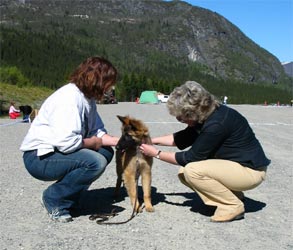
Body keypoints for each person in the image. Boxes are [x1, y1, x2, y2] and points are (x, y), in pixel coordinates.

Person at [139, 81, 270, 223]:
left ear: (193, 111)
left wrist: (156, 153)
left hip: (251, 171)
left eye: (181, 117)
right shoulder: (207, 116)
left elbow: (190, 157)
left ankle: (232, 206)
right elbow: (182, 138)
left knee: (192, 171)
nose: (179, 120)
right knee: (184, 172)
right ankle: (233, 196)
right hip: (236, 166)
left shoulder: (216, 124)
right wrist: (151, 140)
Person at [20, 56, 119, 222]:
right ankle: (54, 198)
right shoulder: (68, 100)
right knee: (95, 161)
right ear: (97, 80)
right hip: (39, 157)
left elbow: (98, 131)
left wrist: (123, 142)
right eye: (109, 82)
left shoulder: (88, 98)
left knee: (106, 152)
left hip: (57, 152)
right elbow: (67, 143)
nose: (111, 87)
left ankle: (71, 196)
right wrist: (95, 142)